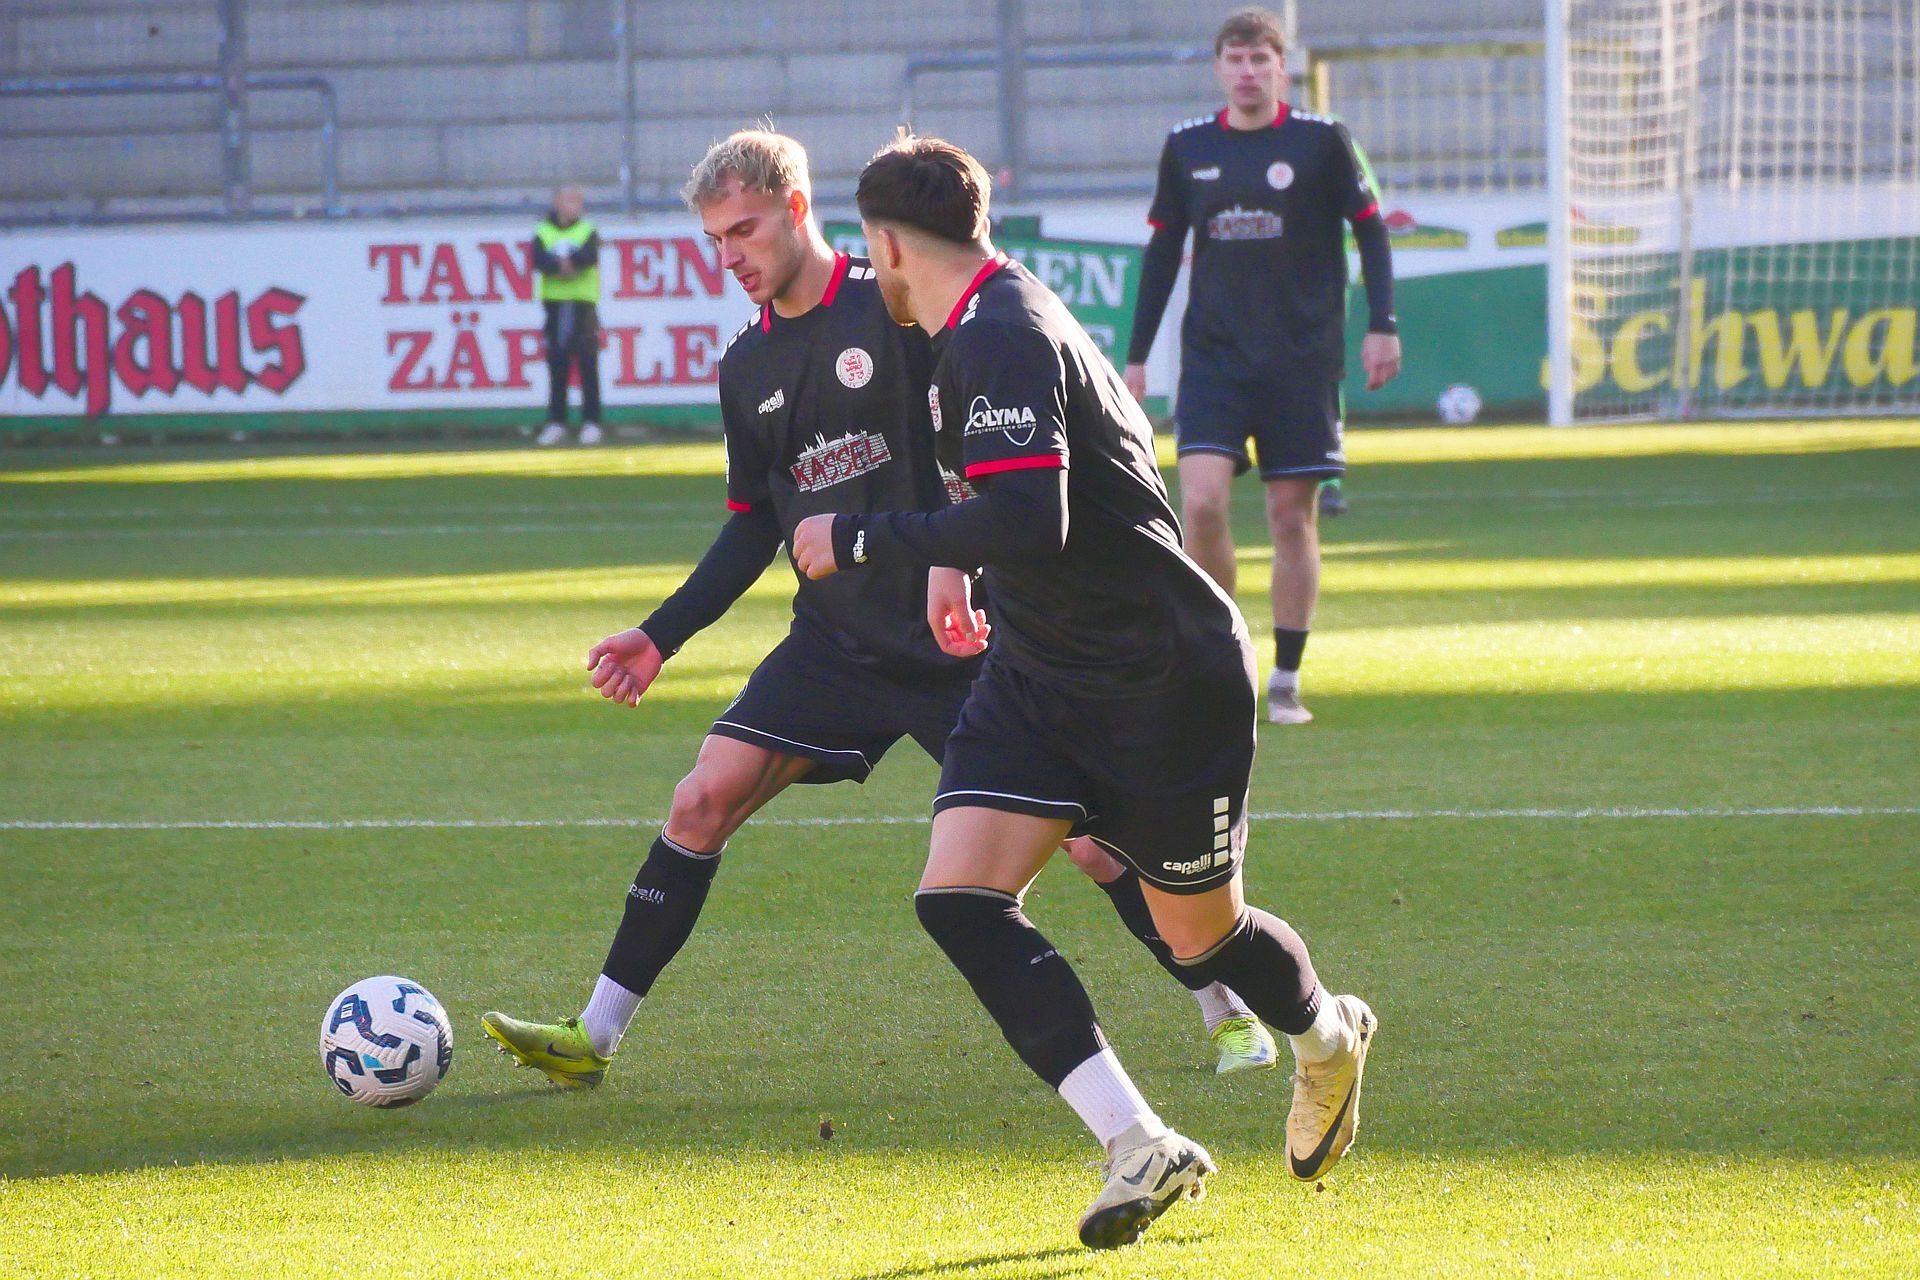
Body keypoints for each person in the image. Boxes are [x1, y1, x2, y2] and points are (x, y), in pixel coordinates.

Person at [479, 130, 1271, 1095]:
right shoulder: (746, 367)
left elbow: (978, 454)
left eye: (744, 230)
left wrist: (952, 568)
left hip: (966, 639)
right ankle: (594, 1036)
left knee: (1095, 844)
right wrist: (660, 635)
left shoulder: (898, 303)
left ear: (797, 209)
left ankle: (1229, 1009)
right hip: (839, 641)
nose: (729, 256)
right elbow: (754, 525)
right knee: (702, 798)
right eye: (715, 240)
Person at [792, 134, 1376, 1250]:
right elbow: (1004, 496)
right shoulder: (979, 323)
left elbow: (1033, 517)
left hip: (1161, 677)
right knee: (959, 896)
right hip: (1040, 672)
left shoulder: (1003, 332)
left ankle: (1328, 1036)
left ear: (888, 245)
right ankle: (1137, 1140)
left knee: (1200, 939)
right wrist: (955, 566)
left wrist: (864, 536)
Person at [1122, 7, 1401, 724]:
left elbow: (1372, 233)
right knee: (1201, 503)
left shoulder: (1321, 141)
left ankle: (1285, 677)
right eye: (1236, 60)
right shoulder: (1188, 147)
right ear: (1220, 69)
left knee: (1289, 516)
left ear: (1283, 67)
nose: (1247, 73)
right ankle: (1223, 656)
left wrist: (1383, 326)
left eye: (1260, 60)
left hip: (1301, 361)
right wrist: (1136, 355)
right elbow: (1162, 253)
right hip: (1214, 360)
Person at [533, 182, 604, 446]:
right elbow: (539, 260)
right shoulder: (543, 231)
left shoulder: (588, 230)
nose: (575, 206)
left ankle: (592, 422)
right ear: (557, 202)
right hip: (555, 307)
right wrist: (563, 265)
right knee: (557, 365)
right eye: (570, 200)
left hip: (583, 307)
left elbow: (589, 256)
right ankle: (556, 422)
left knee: (587, 364)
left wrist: (565, 264)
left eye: (578, 201)